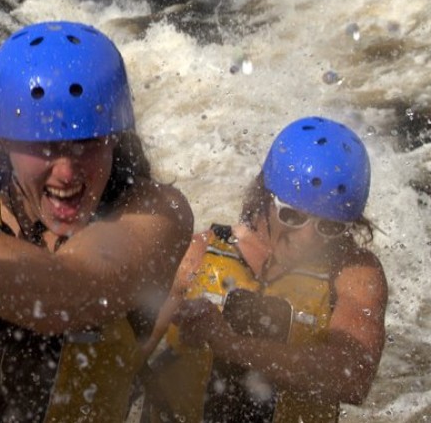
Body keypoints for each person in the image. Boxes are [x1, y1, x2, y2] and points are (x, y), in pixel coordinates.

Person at [0, 21, 192, 422]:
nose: (67, 172)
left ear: (115, 135)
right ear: (4, 140)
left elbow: (67, 294)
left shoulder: (157, 213)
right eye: (43, 145)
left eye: (86, 142)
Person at [141, 117, 387, 423]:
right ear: (264, 197)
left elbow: (352, 377)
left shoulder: (354, 274)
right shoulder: (195, 256)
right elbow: (125, 359)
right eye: (292, 217)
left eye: (330, 226)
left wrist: (230, 344)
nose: (307, 238)